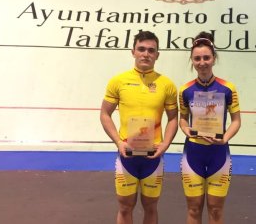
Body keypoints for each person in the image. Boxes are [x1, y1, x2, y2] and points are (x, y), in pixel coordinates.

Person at [100, 30, 178, 224]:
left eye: (151, 50)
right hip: (127, 155)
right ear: (133, 52)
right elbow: (104, 114)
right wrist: (118, 141)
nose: (146, 54)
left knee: (151, 207)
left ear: (157, 55)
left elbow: (174, 118)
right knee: (125, 207)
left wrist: (165, 144)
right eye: (141, 49)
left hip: (153, 156)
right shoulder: (118, 81)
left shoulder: (167, 84)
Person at [179, 31, 241, 224]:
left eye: (206, 57)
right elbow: (182, 119)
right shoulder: (185, 90)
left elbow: (236, 120)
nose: (202, 62)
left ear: (214, 59)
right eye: (197, 58)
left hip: (219, 155)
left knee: (215, 210)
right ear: (192, 60)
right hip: (193, 155)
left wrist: (225, 137)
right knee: (194, 209)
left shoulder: (227, 88)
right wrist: (185, 129)